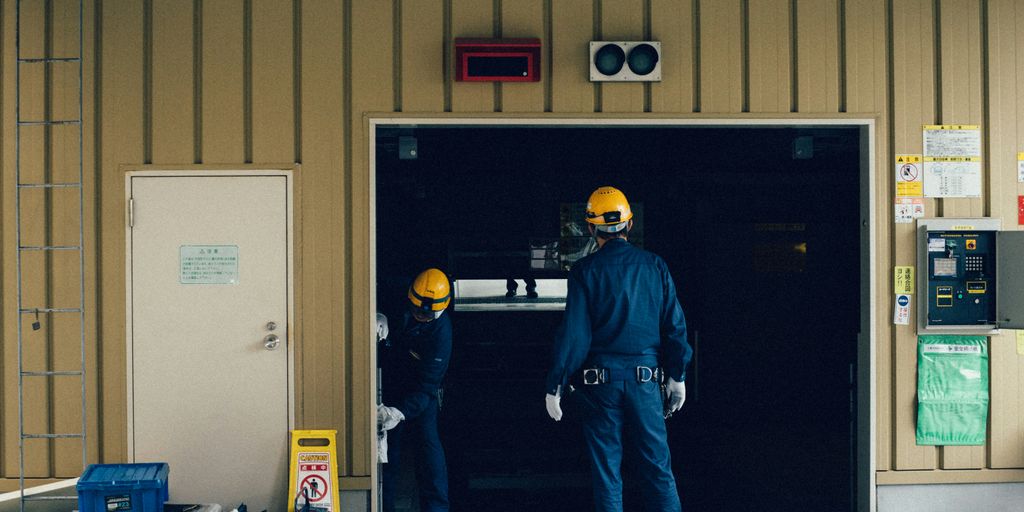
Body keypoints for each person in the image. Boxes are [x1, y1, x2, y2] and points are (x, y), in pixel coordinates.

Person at [544, 186, 692, 512]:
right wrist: (677, 375)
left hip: (601, 387)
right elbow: (675, 327)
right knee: (657, 470)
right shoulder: (655, 266)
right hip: (646, 382)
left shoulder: (584, 272)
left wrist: (555, 384)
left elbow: (574, 337)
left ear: (590, 227)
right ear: (629, 223)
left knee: (607, 474)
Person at [378, 268, 453, 512]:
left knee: (428, 448)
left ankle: (437, 509)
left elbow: (428, 386)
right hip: (389, 380)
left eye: (425, 313)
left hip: (421, 390)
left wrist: (398, 413)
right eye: (416, 309)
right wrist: (378, 314)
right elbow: (371, 293)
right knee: (387, 453)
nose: (420, 315)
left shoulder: (442, 334)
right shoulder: (395, 291)